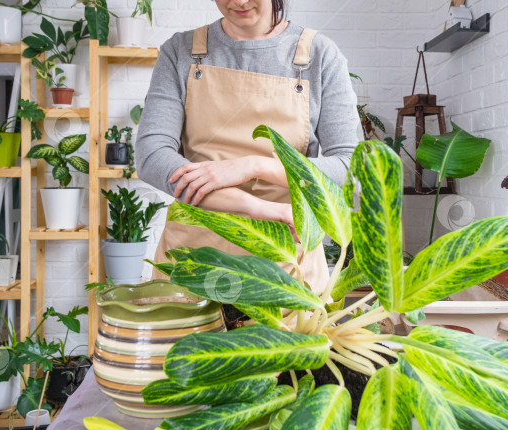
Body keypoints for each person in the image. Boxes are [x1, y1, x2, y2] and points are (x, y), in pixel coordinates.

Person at [135, 0, 360, 294]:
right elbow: (152, 157)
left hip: (285, 267)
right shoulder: (181, 51)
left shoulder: (320, 56)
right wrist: (264, 210)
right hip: (195, 262)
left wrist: (252, 167)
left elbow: (350, 169)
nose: (239, 2)